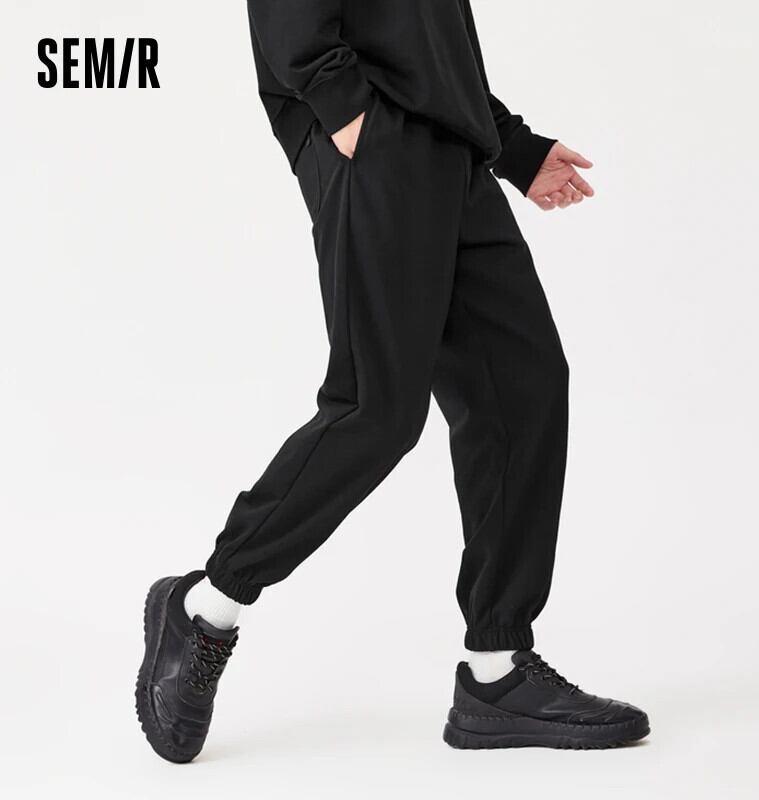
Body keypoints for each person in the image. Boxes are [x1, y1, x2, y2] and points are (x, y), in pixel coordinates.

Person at [135, 0, 649, 762]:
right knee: (376, 410)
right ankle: (205, 606)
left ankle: (498, 670)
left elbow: (425, 33)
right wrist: (346, 111)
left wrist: (511, 146)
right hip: (376, 144)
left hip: (450, 150)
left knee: (524, 385)